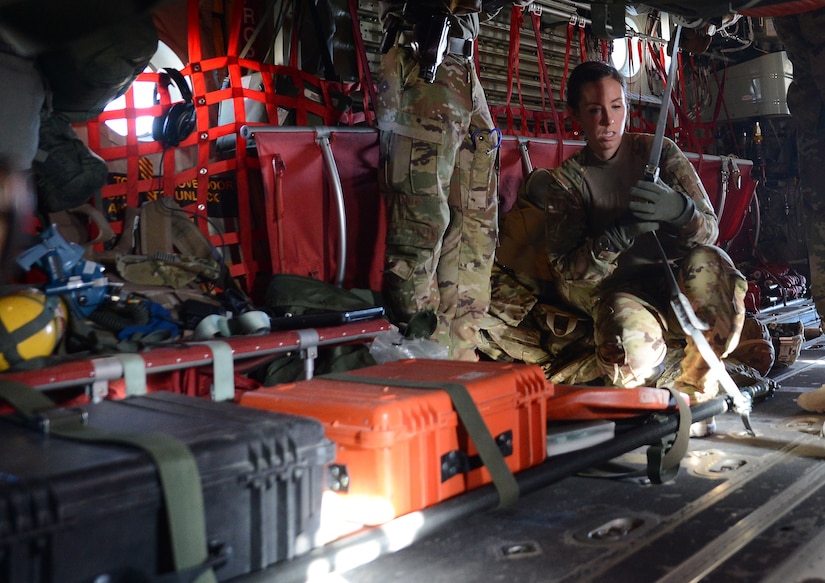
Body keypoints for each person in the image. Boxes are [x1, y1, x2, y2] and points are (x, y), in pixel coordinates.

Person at [487, 61, 748, 433]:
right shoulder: (568, 183)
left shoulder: (660, 154)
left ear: (627, 107)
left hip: (673, 283)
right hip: (619, 293)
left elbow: (709, 233)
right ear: (576, 115)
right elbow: (567, 271)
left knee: (714, 265)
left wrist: (681, 210)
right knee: (630, 356)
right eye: (594, 110)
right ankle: (667, 368)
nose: (608, 121)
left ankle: (695, 385)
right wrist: (617, 235)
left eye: (616, 107)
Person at [375, 1, 531, 360]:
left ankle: (459, 358)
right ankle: (420, 356)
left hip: (460, 65)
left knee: (474, 234)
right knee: (420, 225)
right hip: (421, 61)